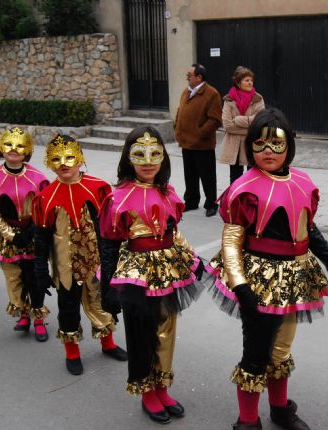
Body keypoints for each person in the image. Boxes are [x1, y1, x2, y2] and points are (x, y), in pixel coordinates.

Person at [206, 108, 328, 430]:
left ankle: (281, 410)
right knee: (256, 352)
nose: (268, 152)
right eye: (260, 145)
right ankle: (248, 420)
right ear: (251, 146)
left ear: (289, 146)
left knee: (281, 350)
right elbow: (230, 243)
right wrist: (241, 286)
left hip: (293, 277)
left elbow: (308, 229)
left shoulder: (302, 181)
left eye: (276, 144)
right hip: (258, 280)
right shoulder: (244, 189)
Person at [98, 126, 205, 424]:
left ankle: (162, 386)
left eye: (155, 154)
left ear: (163, 158)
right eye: (140, 155)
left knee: (166, 330)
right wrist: (108, 288)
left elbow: (173, 233)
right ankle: (146, 390)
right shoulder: (117, 197)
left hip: (168, 271)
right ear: (128, 158)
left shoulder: (168, 192)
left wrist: (194, 260)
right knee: (140, 332)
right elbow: (108, 246)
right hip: (135, 274)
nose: (148, 162)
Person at [32, 134, 127, 375]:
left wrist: (115, 260)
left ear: (80, 158)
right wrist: (41, 269)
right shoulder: (46, 197)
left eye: (69, 157)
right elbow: (41, 237)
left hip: (97, 261)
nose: (63, 163)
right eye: (57, 159)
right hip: (66, 265)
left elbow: (111, 226)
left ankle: (108, 343)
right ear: (49, 162)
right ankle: (72, 352)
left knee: (103, 302)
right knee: (68, 308)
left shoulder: (99, 187)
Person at [0, 127, 50, 340]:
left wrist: (32, 231)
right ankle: (23, 312)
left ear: (28, 150)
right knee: (13, 276)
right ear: (0, 147)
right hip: (6, 236)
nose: (14, 150)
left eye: (20, 145)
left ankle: (39, 316)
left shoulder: (38, 178)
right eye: (9, 144)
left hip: (32, 232)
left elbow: (43, 208)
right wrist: (11, 235)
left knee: (35, 276)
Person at [174, 63, 222, 217]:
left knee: (207, 176)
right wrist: (177, 127)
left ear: (199, 77)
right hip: (186, 142)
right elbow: (179, 111)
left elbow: (214, 120)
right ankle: (192, 201)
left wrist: (200, 133)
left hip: (202, 144)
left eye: (190, 75)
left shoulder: (211, 93)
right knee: (190, 175)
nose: (187, 77)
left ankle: (211, 204)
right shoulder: (185, 92)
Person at [220, 66, 265, 184]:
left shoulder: (258, 99)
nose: (250, 82)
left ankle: (252, 202)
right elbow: (227, 125)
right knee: (235, 179)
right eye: (246, 80)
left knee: (253, 178)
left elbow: (260, 123)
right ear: (238, 83)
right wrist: (250, 125)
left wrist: (238, 120)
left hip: (252, 144)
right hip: (234, 145)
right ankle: (235, 201)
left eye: (251, 80)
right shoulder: (228, 100)